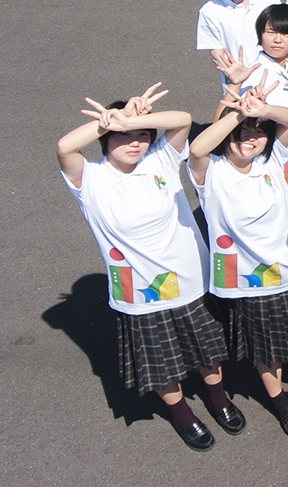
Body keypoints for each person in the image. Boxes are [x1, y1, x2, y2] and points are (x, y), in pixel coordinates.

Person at [58, 84, 243, 451]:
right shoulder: (89, 178)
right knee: (160, 361)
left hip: (190, 278)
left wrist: (133, 119)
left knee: (207, 348)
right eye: (122, 137)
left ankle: (218, 398)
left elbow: (182, 121)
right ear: (105, 140)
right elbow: (65, 147)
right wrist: (110, 121)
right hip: (140, 290)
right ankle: (183, 415)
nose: (135, 143)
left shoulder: (159, 159)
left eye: (142, 135)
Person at [188, 78, 288, 438]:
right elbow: (197, 148)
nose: (250, 138)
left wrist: (263, 109)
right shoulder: (211, 172)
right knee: (265, 348)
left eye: (258, 132)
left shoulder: (271, 160)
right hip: (249, 280)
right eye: (242, 133)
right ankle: (282, 403)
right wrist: (238, 113)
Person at [213, 4, 288, 201]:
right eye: (271, 32)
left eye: (286, 34)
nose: (278, 40)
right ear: (260, 34)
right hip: (277, 179)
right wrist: (236, 85)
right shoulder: (254, 75)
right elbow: (219, 126)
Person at [197, 0, 280, 82]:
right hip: (239, 83)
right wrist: (235, 77)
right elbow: (217, 54)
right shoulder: (210, 12)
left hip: (274, 77)